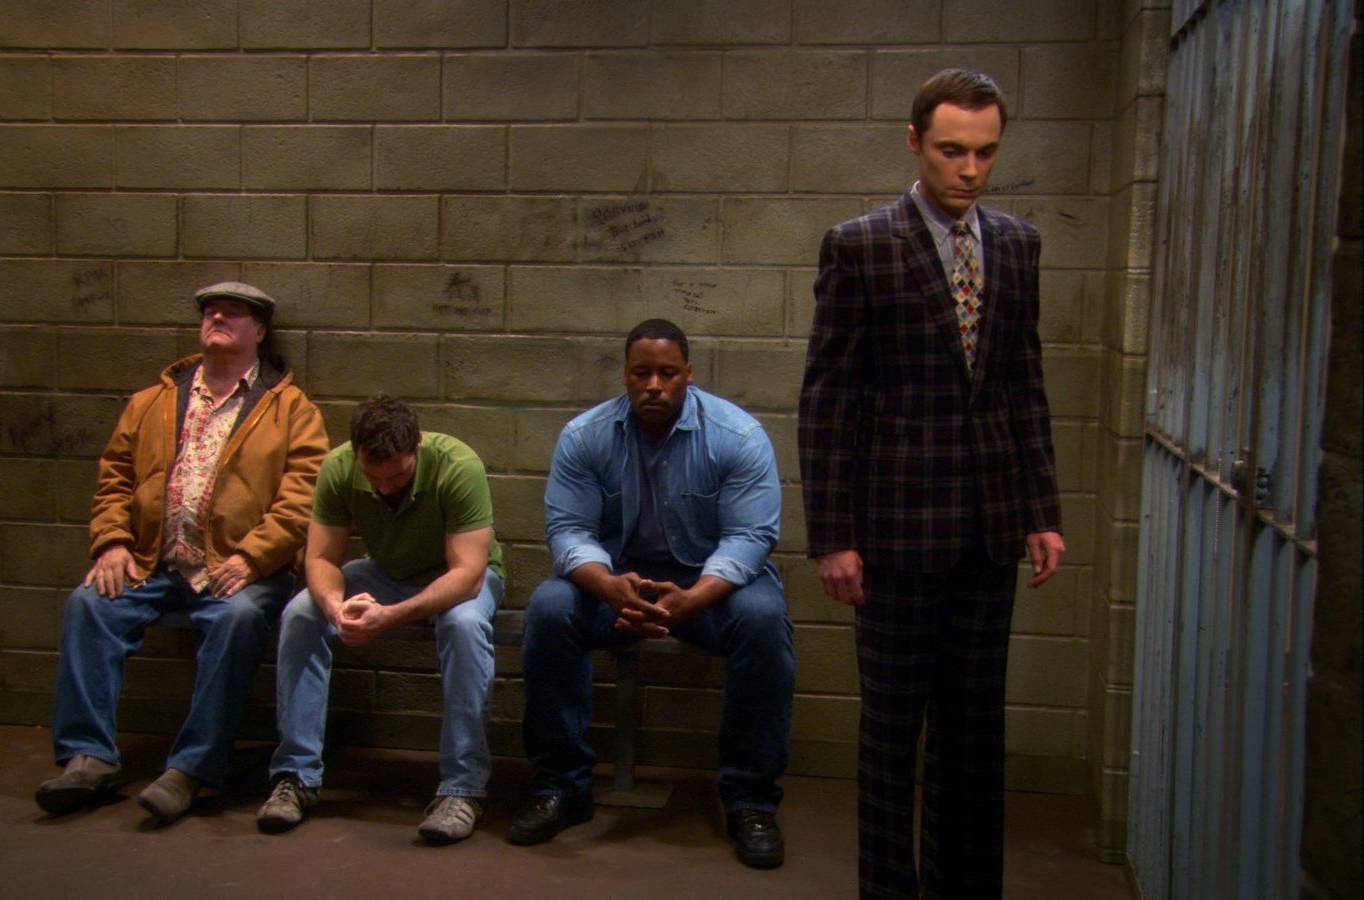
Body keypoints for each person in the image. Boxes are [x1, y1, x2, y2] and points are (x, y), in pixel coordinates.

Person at [798, 68, 1066, 898]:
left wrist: (1041, 510)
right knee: (891, 733)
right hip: (895, 532)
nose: (970, 169)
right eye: (953, 150)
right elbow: (829, 398)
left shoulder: (1016, 245)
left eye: (986, 152)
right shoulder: (861, 244)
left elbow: (1023, 383)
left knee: (974, 735)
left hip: (987, 529)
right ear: (915, 142)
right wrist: (833, 536)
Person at [35, 281, 330, 825]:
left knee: (239, 619)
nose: (217, 318)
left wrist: (253, 557)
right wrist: (113, 541)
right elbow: (114, 478)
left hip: (238, 569)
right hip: (152, 560)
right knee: (89, 604)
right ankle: (88, 758)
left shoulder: (292, 411)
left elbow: (303, 497)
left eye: (233, 313)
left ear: (259, 331)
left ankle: (192, 769)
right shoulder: (154, 401)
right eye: (210, 311)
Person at [508, 318, 796, 869]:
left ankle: (750, 801)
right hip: (616, 585)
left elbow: (751, 537)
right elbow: (569, 530)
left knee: (762, 617)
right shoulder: (585, 436)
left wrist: (692, 598)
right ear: (625, 375)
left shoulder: (737, 436)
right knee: (549, 608)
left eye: (668, 373)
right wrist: (607, 587)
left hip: (707, 586)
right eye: (641, 373)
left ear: (689, 374)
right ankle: (562, 787)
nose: (654, 386)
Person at [259, 394, 505, 845]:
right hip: (386, 572)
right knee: (300, 613)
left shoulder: (457, 465)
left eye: (398, 476)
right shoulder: (339, 468)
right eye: (375, 478)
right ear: (357, 455)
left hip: (458, 577)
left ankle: (462, 789)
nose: (386, 487)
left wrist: (388, 617)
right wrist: (335, 609)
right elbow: (321, 558)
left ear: (417, 447)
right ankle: (296, 776)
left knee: (464, 626)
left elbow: (468, 575)